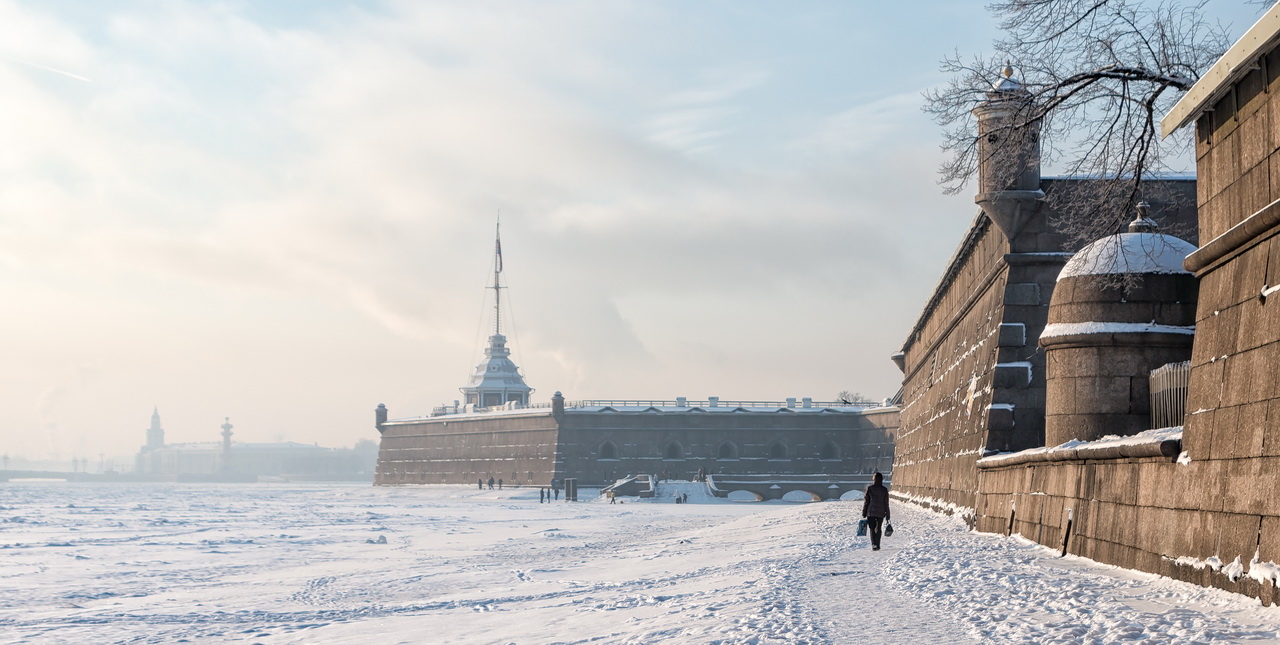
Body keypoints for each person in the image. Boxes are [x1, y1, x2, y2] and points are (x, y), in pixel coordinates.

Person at [862, 472, 890, 551]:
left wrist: (864, 512)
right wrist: (888, 514)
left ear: (873, 479)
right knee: (879, 528)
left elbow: (866, 501)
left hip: (871, 512)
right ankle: (878, 544)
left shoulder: (870, 488)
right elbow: (886, 503)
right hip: (881, 512)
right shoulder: (884, 489)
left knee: (872, 528)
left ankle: (874, 544)